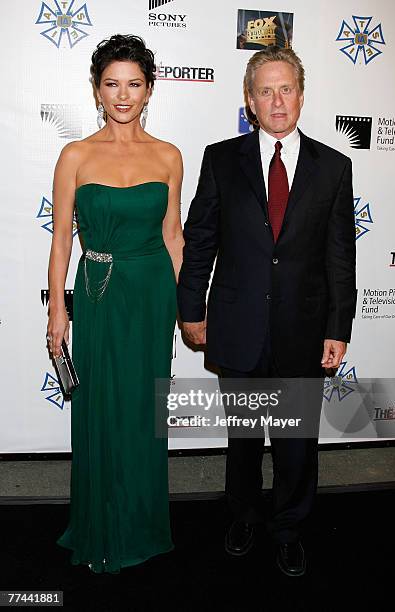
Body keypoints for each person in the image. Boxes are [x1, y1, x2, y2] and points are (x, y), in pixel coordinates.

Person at [177, 46, 356, 576]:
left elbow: (340, 256)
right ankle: (245, 515)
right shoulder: (220, 159)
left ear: (301, 95)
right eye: (265, 91)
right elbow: (200, 239)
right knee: (244, 439)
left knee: (297, 443)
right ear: (249, 101)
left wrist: (337, 326)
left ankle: (289, 527)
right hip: (238, 326)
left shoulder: (334, 167)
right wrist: (190, 309)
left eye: (286, 89)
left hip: (304, 330)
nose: (277, 101)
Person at [46, 34, 184, 573]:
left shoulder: (169, 155)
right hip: (100, 291)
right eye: (112, 84)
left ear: (149, 90)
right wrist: (58, 308)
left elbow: (173, 236)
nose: (123, 94)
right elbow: (60, 239)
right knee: (102, 408)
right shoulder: (75, 154)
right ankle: (101, 522)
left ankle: (142, 522)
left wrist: (185, 309)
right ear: (97, 90)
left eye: (134, 83)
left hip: (152, 294)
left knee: (145, 411)